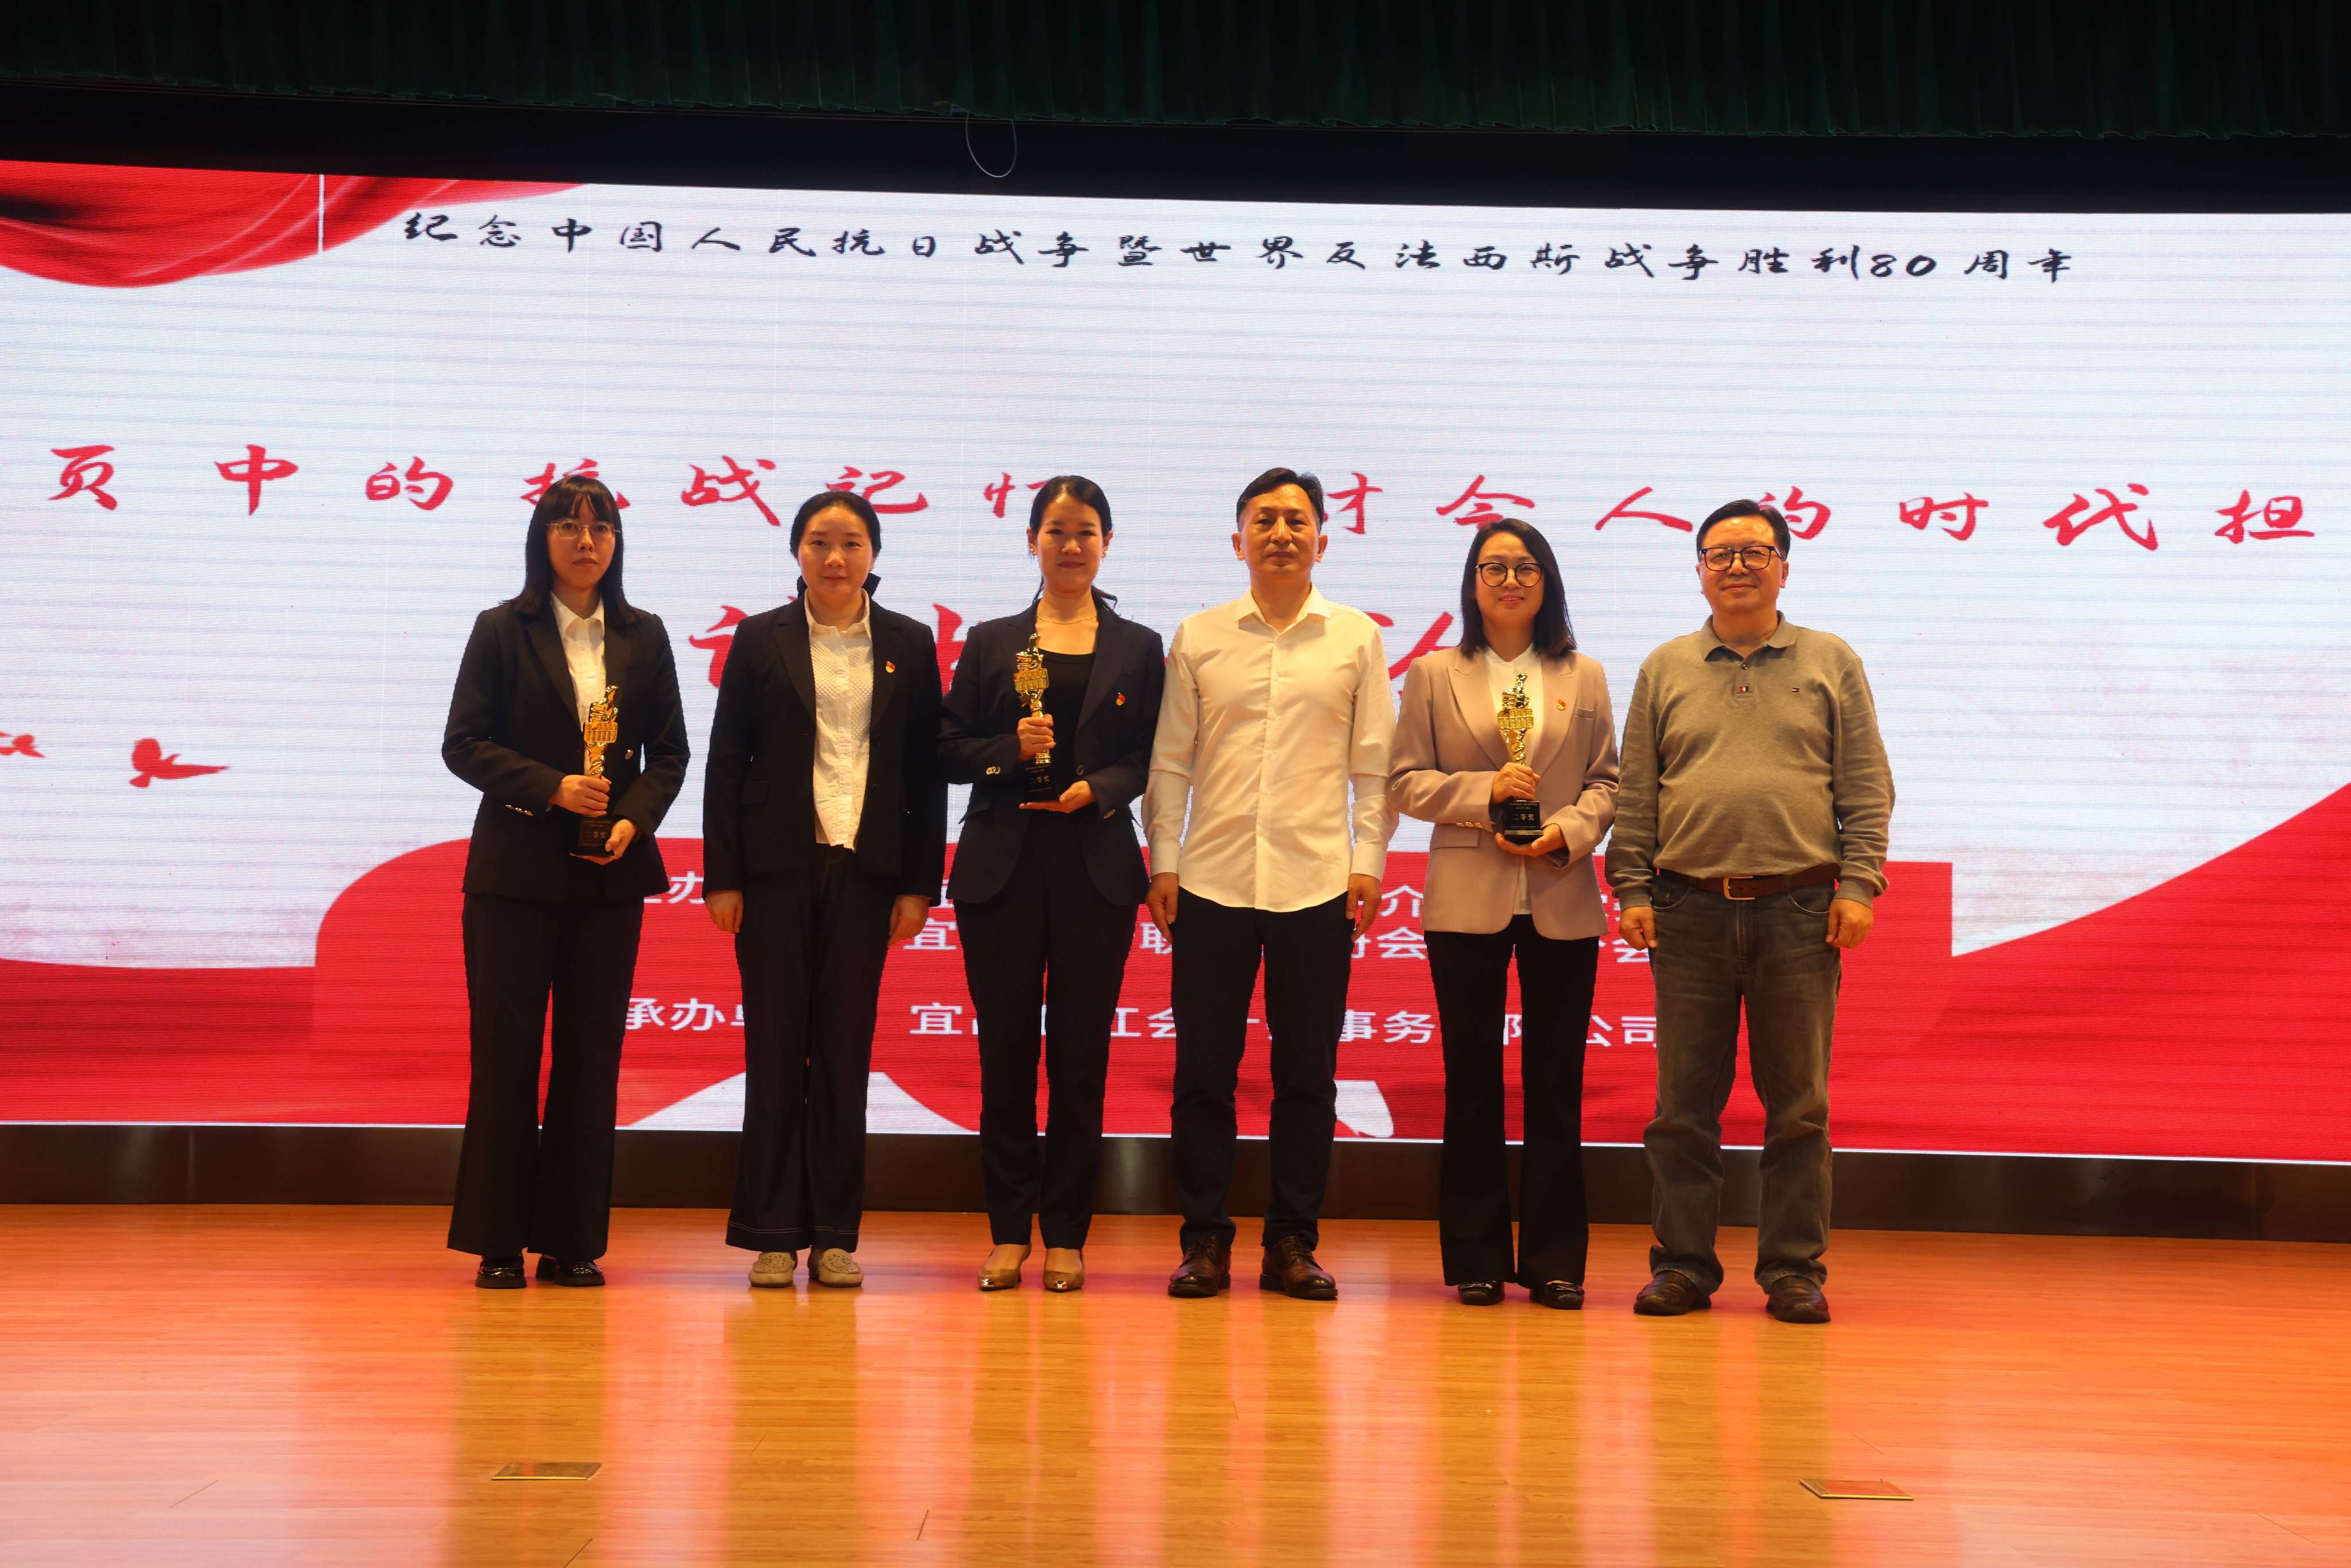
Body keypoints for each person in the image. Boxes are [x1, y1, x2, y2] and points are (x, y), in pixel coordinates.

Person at [1606, 500, 1893, 1324]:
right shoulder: (1666, 666)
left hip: (1800, 909)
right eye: (1720, 554)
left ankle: (1793, 1271)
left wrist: (1859, 885)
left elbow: (1865, 784)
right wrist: (1631, 888)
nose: (1737, 566)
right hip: (1686, 909)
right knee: (1682, 1110)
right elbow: (1637, 792)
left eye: (1755, 552)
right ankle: (1683, 1266)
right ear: (1698, 570)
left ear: (1784, 568)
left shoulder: (1830, 659)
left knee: (1798, 1108)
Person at [1146, 467, 1396, 1301]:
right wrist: (1164, 860)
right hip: (1209, 880)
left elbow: (1373, 767)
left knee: (1308, 1077)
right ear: (1238, 540)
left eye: (1296, 520)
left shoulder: (1356, 638)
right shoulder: (1200, 635)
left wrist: (1369, 861)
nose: (1281, 533)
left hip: (1318, 883)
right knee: (1203, 1073)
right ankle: (1204, 1240)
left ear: (1323, 539)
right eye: (1265, 520)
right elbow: (1171, 761)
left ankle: (1292, 1241)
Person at [441, 475, 690, 1288]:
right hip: (513, 875)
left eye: (601, 527)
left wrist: (633, 819)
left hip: (606, 875)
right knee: (506, 1056)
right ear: (541, 539)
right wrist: (552, 786)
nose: (587, 542)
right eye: (569, 526)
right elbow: (463, 743)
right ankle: (498, 1242)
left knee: (591, 1059)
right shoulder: (501, 629)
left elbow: (671, 753)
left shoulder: (646, 634)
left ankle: (572, 1241)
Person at [702, 490, 945, 1290]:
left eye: (850, 543)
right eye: (818, 542)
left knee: (844, 1053)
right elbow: (726, 759)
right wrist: (722, 876)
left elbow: (923, 773)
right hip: (774, 871)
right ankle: (772, 1232)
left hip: (867, 873)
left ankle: (836, 1235)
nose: (835, 558)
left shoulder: (909, 642)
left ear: (874, 554)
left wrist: (919, 885)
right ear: (797, 553)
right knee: (775, 1051)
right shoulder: (759, 638)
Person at [939, 476, 1166, 1293]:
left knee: (1080, 1058)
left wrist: (1098, 788)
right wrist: (1009, 749)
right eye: (1057, 530)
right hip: (1001, 868)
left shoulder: (1139, 645)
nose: (1072, 545)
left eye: (1086, 531)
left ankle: (1067, 1233)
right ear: (1032, 539)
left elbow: (1152, 754)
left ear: (1107, 542)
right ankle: (1009, 1232)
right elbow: (947, 747)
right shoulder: (991, 640)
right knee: (1004, 1056)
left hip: (1093, 869)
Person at [1389, 519, 1618, 1309]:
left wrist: (1569, 831)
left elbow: (1608, 783)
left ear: (1547, 581)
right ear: (1473, 582)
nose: (1511, 580)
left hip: (1561, 892)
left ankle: (1555, 1261)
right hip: (1466, 898)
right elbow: (1405, 782)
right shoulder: (1433, 673)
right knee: (1472, 1083)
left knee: (1557, 1083)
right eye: (1494, 567)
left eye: (1526, 567)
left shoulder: (1584, 674)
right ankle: (1476, 1257)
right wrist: (1481, 792)